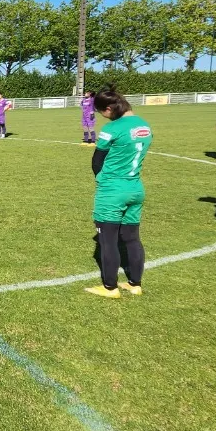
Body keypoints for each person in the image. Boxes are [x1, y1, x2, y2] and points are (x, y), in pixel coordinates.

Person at [85, 87, 153, 298]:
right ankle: (135, 284)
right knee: (132, 238)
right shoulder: (144, 125)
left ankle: (110, 287)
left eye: (101, 112)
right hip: (135, 187)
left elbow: (97, 160)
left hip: (113, 190)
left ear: (109, 108)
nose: (102, 116)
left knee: (108, 241)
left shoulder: (111, 129)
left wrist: (101, 180)